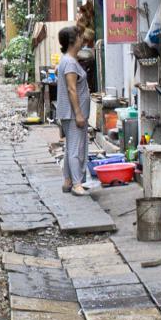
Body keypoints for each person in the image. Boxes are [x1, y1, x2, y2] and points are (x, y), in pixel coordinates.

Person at [54, 25, 96, 196]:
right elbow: (72, 90)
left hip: (69, 112)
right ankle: (77, 184)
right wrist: (79, 113)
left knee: (71, 146)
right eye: (79, 37)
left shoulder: (68, 60)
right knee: (76, 149)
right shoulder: (70, 63)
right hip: (73, 114)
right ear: (73, 41)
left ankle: (68, 180)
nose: (82, 40)